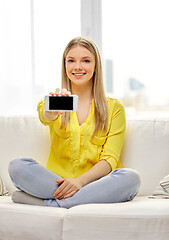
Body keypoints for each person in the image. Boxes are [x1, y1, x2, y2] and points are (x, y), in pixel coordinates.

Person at [8, 36, 140, 208]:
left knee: (131, 178)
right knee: (17, 166)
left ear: (95, 67)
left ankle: (51, 203)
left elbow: (109, 160)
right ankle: (72, 200)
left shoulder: (114, 108)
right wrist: (50, 112)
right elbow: (44, 116)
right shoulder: (52, 102)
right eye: (71, 61)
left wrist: (79, 182)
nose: (78, 66)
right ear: (65, 66)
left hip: (95, 184)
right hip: (55, 183)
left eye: (85, 61)